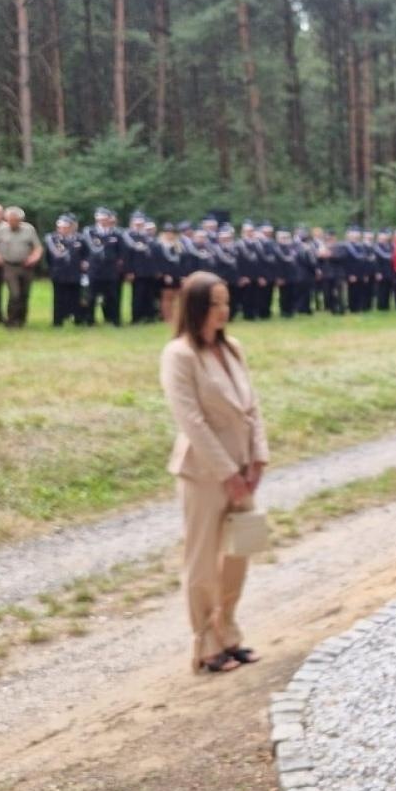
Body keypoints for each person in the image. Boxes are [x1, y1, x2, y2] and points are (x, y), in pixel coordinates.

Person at [159, 272, 270, 675]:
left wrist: (257, 458)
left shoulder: (233, 348)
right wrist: (226, 472)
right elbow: (191, 420)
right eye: (216, 303)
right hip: (204, 473)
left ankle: (229, 632)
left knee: (240, 552)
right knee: (203, 560)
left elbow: (251, 406)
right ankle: (205, 643)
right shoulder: (179, 355)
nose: (224, 310)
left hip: (243, 468)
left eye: (226, 302)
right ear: (196, 307)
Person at [0, 205, 43, 327]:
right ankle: (11, 320)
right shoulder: (1, 230)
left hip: (26, 265)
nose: (13, 223)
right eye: (10, 220)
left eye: (16, 221)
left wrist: (34, 258)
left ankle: (22, 319)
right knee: (14, 293)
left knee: (24, 293)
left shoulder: (29, 229)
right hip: (9, 266)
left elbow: (38, 247)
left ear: (21, 220)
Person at [45, 212, 89, 326]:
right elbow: (49, 257)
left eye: (66, 227)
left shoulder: (80, 239)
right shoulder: (53, 239)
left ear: (71, 227)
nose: (63, 229)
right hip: (59, 272)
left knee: (76, 297)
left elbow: (86, 254)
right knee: (59, 298)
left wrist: (85, 263)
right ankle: (58, 321)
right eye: (61, 227)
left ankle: (78, 319)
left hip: (75, 273)